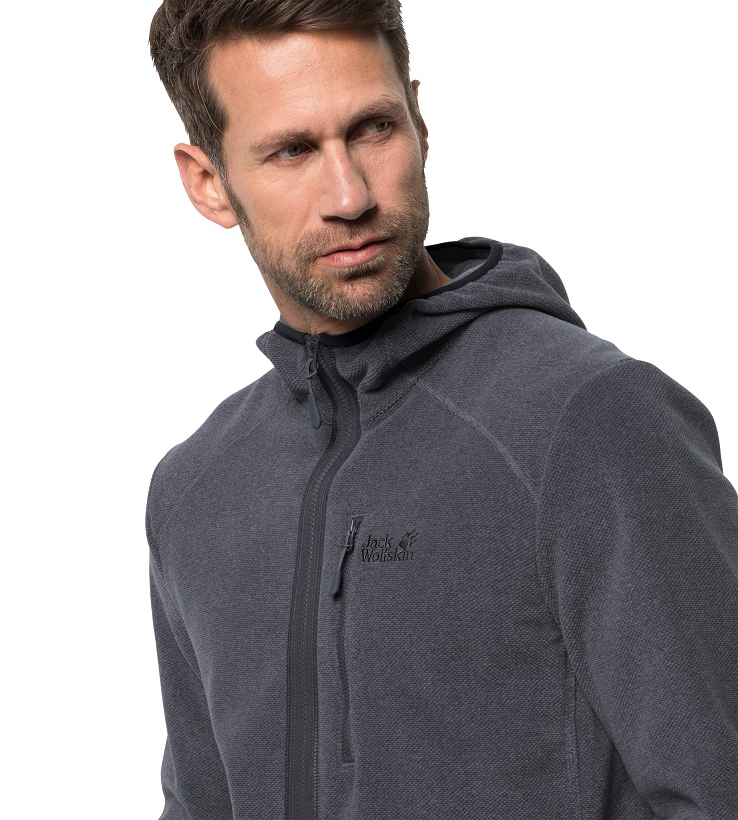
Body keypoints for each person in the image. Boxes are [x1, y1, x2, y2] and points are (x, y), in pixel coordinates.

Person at [145, 1, 738, 818]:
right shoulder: (196, 490)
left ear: (419, 122)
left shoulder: (590, 420)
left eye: (373, 129)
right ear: (208, 182)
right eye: (292, 151)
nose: (349, 194)